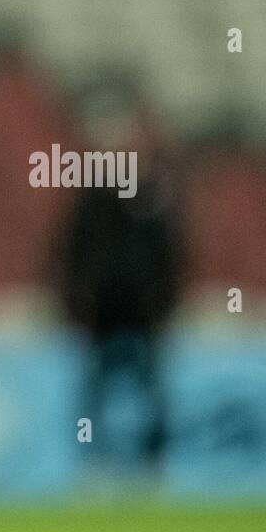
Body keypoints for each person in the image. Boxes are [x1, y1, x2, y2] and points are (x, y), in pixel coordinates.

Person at [59, 94, 184, 476]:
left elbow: (170, 257)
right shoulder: (93, 201)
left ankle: (153, 463)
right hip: (102, 314)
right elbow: (71, 255)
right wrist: (78, 305)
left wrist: (163, 304)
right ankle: (94, 462)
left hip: (144, 313)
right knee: (95, 393)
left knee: (152, 393)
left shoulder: (154, 198)